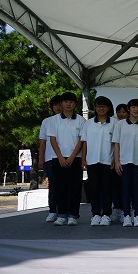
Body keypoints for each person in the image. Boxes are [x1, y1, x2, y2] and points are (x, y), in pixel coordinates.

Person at [112, 98, 138, 227]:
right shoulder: (120, 124)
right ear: (129, 109)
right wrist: (117, 161)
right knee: (125, 190)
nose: (136, 109)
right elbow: (116, 144)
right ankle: (126, 216)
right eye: (133, 107)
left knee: (137, 190)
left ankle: (137, 215)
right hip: (124, 162)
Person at [48, 92, 86, 226]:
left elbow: (82, 141)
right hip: (58, 159)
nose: (68, 104)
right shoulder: (54, 120)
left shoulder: (81, 120)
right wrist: (60, 157)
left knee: (75, 189)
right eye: (65, 102)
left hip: (75, 159)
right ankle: (62, 215)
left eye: (71, 101)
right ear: (61, 104)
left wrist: (71, 157)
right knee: (60, 188)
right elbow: (53, 140)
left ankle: (73, 215)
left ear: (75, 104)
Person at [81, 96, 116, 226]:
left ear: (108, 108)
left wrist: (115, 159)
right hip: (92, 161)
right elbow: (84, 143)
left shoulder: (114, 123)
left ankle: (106, 214)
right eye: (98, 106)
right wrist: (83, 159)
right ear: (94, 108)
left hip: (108, 161)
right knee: (94, 189)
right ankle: (95, 214)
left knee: (107, 189)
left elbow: (117, 144)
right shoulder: (88, 123)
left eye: (104, 106)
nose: (101, 109)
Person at [38, 95, 63, 223]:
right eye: (55, 105)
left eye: (60, 104)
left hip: (66, 158)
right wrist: (41, 158)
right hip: (50, 157)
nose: (58, 107)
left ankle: (65, 211)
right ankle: (53, 210)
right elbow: (43, 141)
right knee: (53, 186)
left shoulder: (69, 120)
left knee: (66, 186)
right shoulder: (47, 121)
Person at [111, 104, 130, 222]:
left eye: (124, 112)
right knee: (115, 186)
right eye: (119, 112)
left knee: (126, 187)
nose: (122, 114)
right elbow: (114, 144)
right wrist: (115, 159)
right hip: (115, 161)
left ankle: (126, 210)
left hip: (128, 160)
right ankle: (116, 208)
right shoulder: (114, 124)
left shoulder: (131, 124)